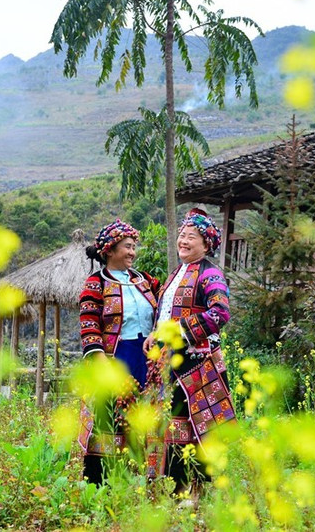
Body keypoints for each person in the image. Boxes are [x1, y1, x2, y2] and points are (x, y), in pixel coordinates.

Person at [142, 208, 235, 493]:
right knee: (170, 424)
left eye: (191, 237)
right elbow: (166, 314)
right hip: (169, 363)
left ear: (206, 244)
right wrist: (155, 335)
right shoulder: (176, 274)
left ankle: (195, 491)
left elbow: (220, 313)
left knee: (196, 427)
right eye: (182, 235)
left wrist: (176, 331)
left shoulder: (210, 274)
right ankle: (174, 487)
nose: (183, 241)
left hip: (196, 365)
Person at [78, 219, 160, 486]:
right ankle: (102, 483)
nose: (132, 252)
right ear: (110, 250)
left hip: (146, 358)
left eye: (134, 247)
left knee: (146, 415)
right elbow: (89, 325)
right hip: (115, 357)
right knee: (111, 415)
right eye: (127, 247)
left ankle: (144, 478)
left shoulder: (145, 280)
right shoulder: (96, 283)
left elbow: (164, 308)